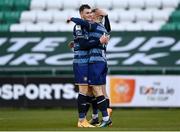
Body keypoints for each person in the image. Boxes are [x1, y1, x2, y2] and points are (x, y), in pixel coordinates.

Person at [69, 8, 112, 127]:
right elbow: (83, 43)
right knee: (92, 90)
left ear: (97, 16)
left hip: (94, 61)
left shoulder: (94, 26)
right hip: (91, 62)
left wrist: (72, 19)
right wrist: (76, 42)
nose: (90, 15)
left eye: (92, 13)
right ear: (82, 14)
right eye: (88, 13)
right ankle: (94, 117)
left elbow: (84, 43)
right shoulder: (101, 28)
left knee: (94, 90)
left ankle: (98, 117)